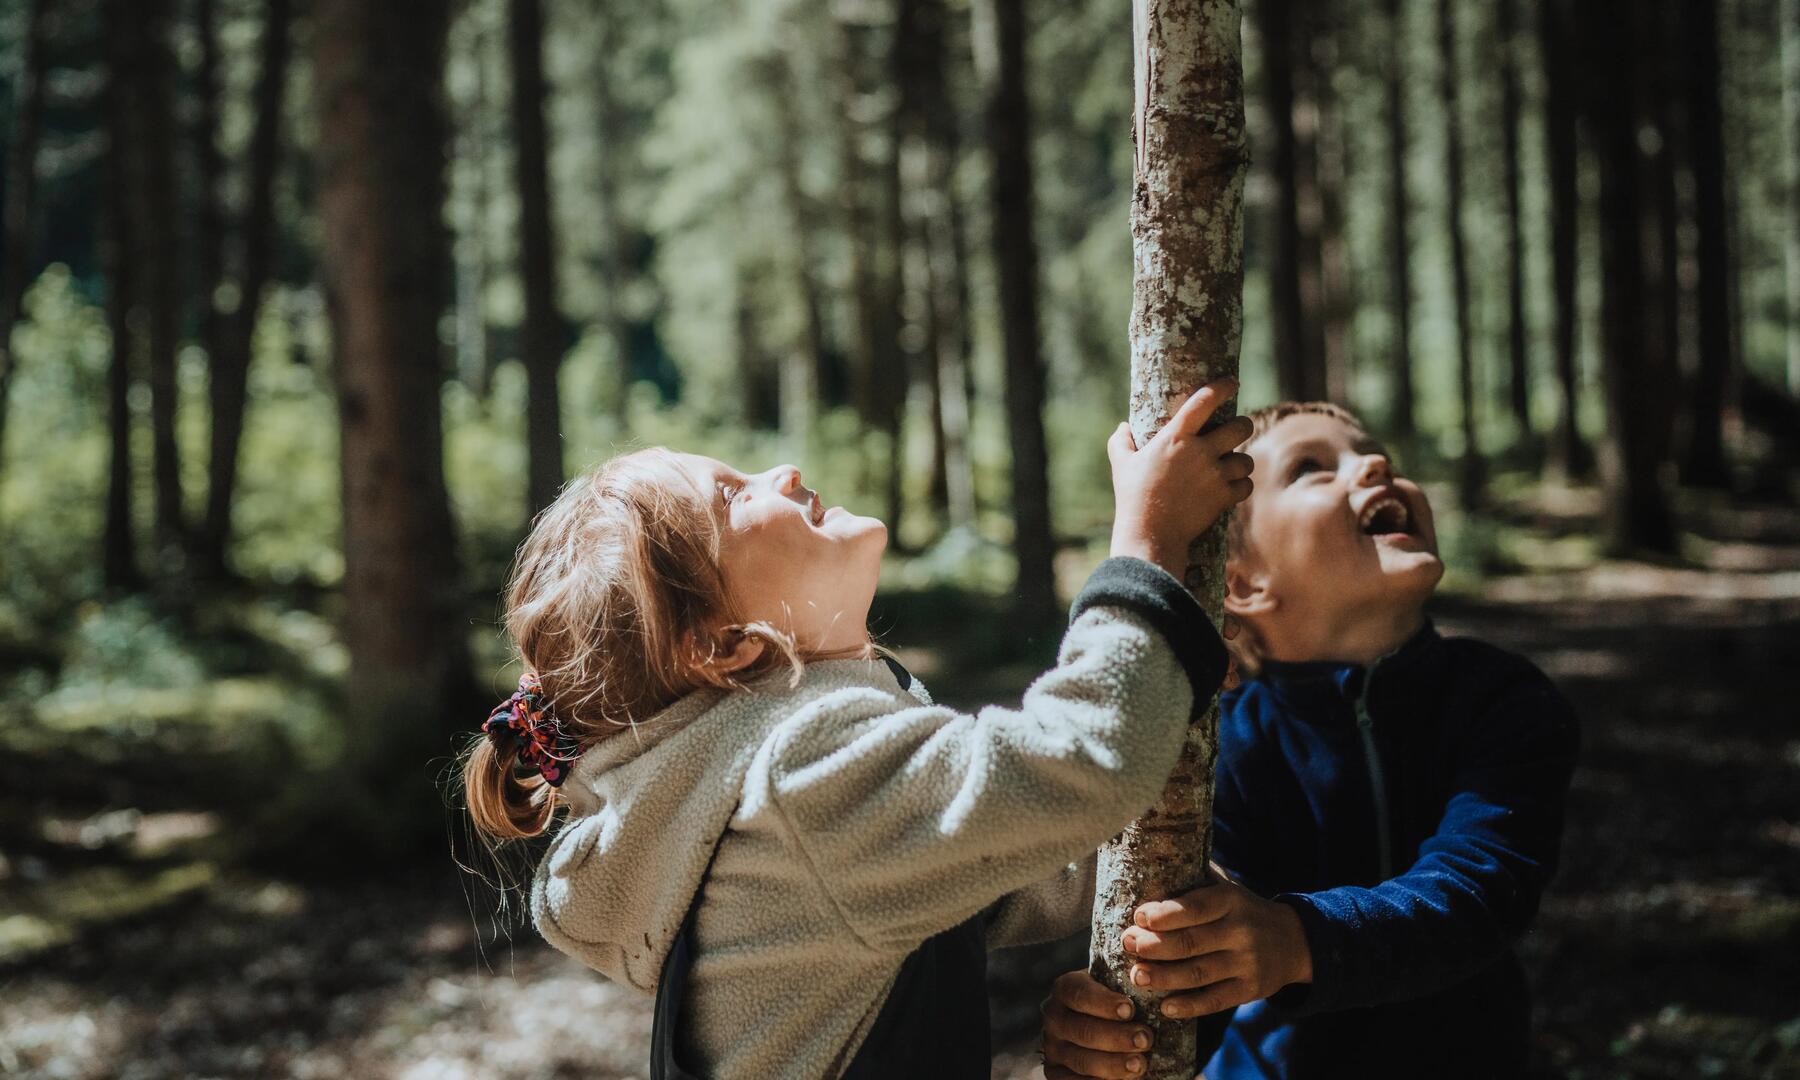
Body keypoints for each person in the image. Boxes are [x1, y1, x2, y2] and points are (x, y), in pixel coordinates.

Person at [461, 382, 1255, 1079]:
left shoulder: (757, 801)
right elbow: (1085, 763)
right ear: (724, 644)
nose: (784, 472)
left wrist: (1199, 901)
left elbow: (1022, 868)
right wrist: (1147, 546)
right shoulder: (800, 778)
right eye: (735, 495)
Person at [1039, 402, 1580, 1080]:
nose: (1377, 466)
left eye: (1375, 453)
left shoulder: (1502, 700)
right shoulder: (1220, 745)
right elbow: (1202, 950)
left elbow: (1482, 891)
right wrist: (1114, 1039)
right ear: (1243, 585)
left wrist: (1296, 943)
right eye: (1312, 469)